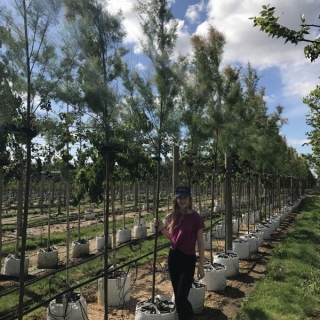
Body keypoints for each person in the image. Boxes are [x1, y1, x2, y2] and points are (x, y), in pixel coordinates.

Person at [154, 186, 205, 320]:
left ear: (190, 199)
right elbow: (173, 238)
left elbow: (200, 242)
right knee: (178, 297)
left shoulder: (196, 218)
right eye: (180, 197)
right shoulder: (173, 216)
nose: (182, 200)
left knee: (182, 297)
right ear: (176, 199)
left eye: (185, 197)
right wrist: (161, 229)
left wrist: (201, 265)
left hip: (188, 259)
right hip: (174, 257)